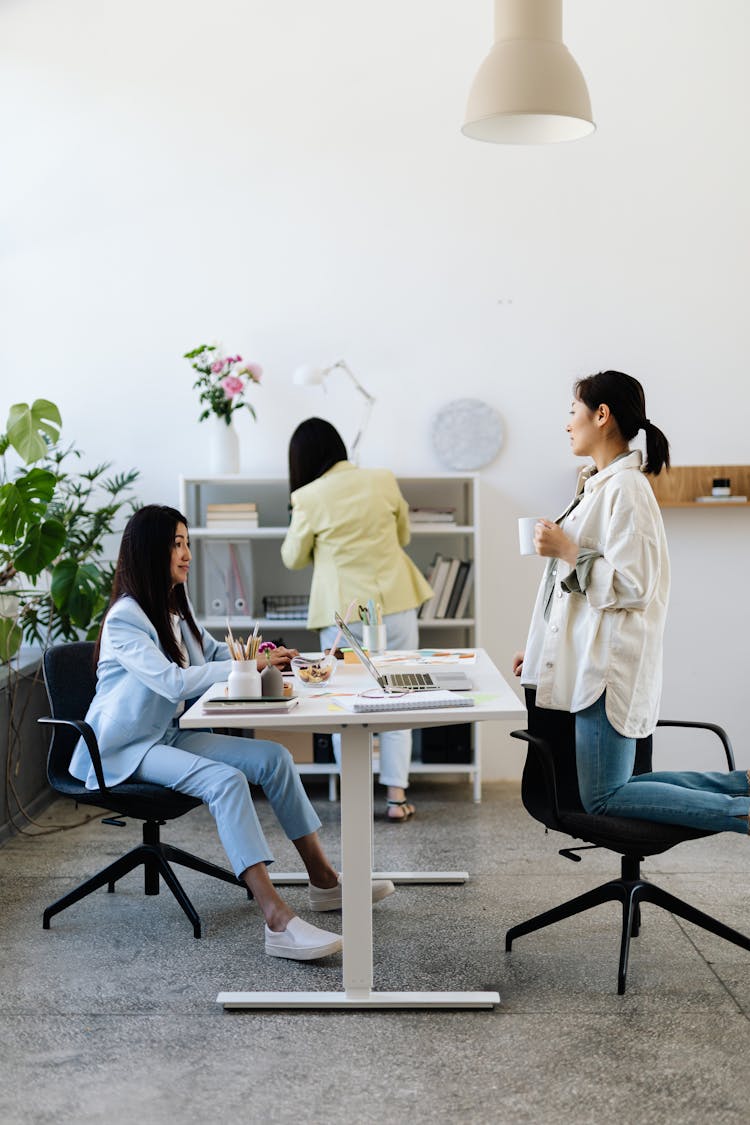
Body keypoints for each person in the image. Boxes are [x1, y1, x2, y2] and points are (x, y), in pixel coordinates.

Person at [69, 505, 394, 961]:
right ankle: (277, 920)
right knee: (225, 781)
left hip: (168, 734)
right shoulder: (126, 619)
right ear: (149, 551)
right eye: (176, 544)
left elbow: (216, 650)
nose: (186, 553)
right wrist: (247, 665)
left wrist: (267, 653)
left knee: (274, 758)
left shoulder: (172, 606)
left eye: (187, 542)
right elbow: (171, 681)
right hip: (126, 749)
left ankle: (324, 881)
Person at [513, 370, 749, 834]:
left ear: (601, 416)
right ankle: (741, 785)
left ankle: (739, 809)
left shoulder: (627, 489)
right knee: (615, 787)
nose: (567, 424)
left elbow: (632, 585)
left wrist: (566, 550)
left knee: (603, 797)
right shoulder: (600, 485)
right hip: (588, 663)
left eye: (572, 412)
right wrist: (543, 649)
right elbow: (574, 591)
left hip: (605, 671)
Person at [281, 418, 434, 821]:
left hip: (344, 614)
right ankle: (397, 797)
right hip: (395, 603)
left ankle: (354, 798)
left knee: (343, 702)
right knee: (401, 698)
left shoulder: (308, 496)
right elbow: (403, 537)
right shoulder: (383, 479)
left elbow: (293, 557)